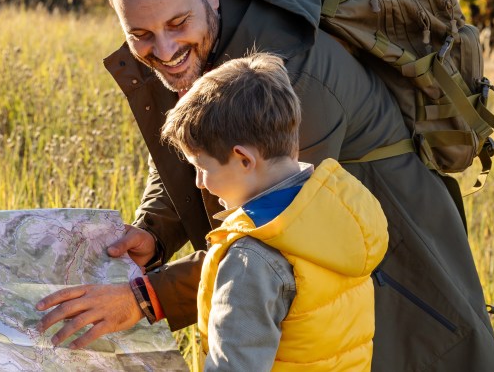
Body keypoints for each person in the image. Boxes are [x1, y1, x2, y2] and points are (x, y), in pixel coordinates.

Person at [36, 0, 494, 370]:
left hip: (400, 265)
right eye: (139, 34)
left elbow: (281, 232)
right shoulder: (194, 37)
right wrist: (154, 232)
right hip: (332, 272)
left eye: (177, 23)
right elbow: (198, 147)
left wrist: (144, 298)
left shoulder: (288, 78)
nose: (165, 48)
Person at [162, 52, 387, 371]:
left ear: (243, 159)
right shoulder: (336, 215)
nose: (200, 183)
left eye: (202, 167)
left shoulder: (252, 258)